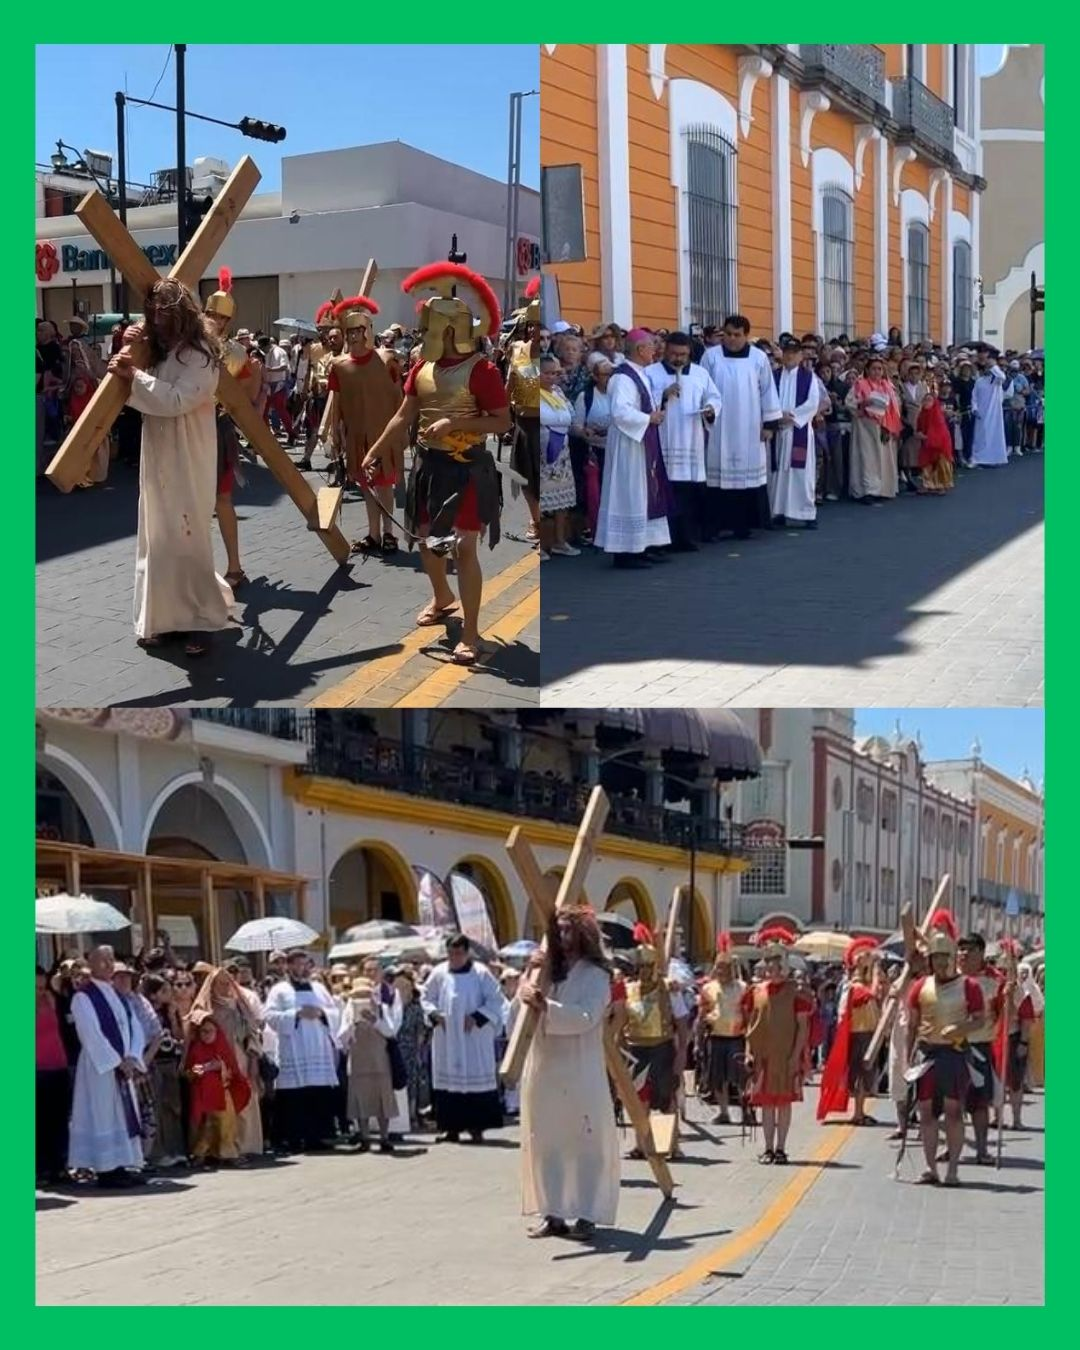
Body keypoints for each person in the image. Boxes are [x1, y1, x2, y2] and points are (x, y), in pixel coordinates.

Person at [366, 261, 511, 667]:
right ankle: (443, 597)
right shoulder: (421, 368)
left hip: (466, 467)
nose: (423, 330)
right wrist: (375, 451)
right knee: (427, 541)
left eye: (431, 324)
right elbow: (403, 416)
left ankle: (471, 632)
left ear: (449, 329)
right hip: (429, 466)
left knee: (463, 547)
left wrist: (456, 423)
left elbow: (502, 422)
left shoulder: (482, 370)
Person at [107, 279, 234, 658]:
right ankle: (164, 620)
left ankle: (201, 620)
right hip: (159, 453)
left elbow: (179, 400)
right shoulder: (159, 351)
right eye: (153, 310)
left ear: (182, 312)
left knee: (188, 536)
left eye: (166, 310)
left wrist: (135, 376)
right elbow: (133, 382)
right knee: (159, 538)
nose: (158, 317)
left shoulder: (200, 354)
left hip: (189, 455)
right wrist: (127, 345)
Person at [518, 905, 620, 1240]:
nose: (561, 936)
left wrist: (546, 1006)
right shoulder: (547, 970)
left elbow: (586, 1016)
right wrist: (528, 978)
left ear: (583, 934)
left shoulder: (596, 974)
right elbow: (519, 1016)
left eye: (568, 929)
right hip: (545, 1067)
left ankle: (588, 1215)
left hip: (579, 1068)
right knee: (547, 1141)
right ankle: (553, 1213)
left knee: (585, 1142)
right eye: (557, 929)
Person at [905, 911, 985, 1187]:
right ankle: (931, 1168)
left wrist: (960, 1029)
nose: (940, 962)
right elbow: (912, 1026)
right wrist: (907, 1059)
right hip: (927, 1055)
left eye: (944, 957)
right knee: (926, 1113)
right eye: (935, 957)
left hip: (954, 1055)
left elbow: (980, 1020)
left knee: (953, 1112)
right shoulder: (920, 986)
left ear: (952, 958)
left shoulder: (969, 986)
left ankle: (952, 1170)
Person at [328, 294, 405, 557]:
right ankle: (373, 533)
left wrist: (401, 432)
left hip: (383, 434)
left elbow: (399, 397)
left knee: (384, 484)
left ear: (367, 332)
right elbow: (337, 402)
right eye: (349, 332)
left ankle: (389, 533)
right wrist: (334, 432)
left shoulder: (386, 360)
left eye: (357, 331)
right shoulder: (338, 366)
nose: (353, 336)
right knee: (366, 485)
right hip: (356, 435)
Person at [67, 945, 147, 1187]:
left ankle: (123, 1164)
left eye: (111, 960)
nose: (109, 965)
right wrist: (116, 1061)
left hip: (123, 1066)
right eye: (103, 960)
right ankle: (106, 1169)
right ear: (90, 964)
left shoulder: (118, 994)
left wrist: (132, 1056)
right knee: (103, 1114)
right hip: (99, 1067)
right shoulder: (83, 997)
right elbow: (90, 1033)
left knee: (123, 1115)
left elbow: (134, 1027)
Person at [699, 314, 782, 539]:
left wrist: (770, 424)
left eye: (737, 335)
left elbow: (768, 391)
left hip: (749, 426)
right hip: (719, 427)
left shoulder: (758, 358)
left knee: (748, 478)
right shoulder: (711, 356)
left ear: (746, 335)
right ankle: (714, 526)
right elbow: (702, 387)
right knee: (717, 478)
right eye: (727, 334)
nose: (731, 339)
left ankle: (743, 526)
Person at [594, 328, 672, 568]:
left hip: (641, 442)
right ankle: (624, 552)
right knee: (629, 494)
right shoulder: (623, 378)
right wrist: (649, 418)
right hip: (629, 446)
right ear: (640, 349)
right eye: (651, 346)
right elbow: (620, 412)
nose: (655, 350)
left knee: (644, 493)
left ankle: (641, 545)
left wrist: (655, 413)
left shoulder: (640, 373)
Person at [203, 267, 260, 591]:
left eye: (222, 317)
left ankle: (234, 567)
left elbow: (248, 392)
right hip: (189, 427)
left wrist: (253, 378)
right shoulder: (190, 345)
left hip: (219, 427)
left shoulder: (237, 353)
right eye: (212, 314)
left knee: (222, 499)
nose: (217, 321)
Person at [420, 933, 505, 1143]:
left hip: (473, 1037)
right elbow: (426, 997)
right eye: (450, 953)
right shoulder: (439, 973)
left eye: (458, 953)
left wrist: (477, 1017)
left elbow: (496, 1000)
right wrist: (434, 1014)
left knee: (475, 1081)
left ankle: (477, 1128)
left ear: (467, 953)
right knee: (448, 1083)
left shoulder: (481, 973)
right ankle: (450, 1128)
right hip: (447, 1037)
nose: (454, 958)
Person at [644, 331, 721, 551]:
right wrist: (663, 394)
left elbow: (714, 397)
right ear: (665, 351)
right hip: (663, 438)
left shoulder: (700, 373)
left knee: (687, 492)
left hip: (690, 439)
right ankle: (662, 541)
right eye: (674, 354)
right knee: (663, 490)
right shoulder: (651, 373)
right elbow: (643, 401)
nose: (678, 359)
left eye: (683, 355)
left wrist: (710, 409)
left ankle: (686, 537)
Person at [743, 926, 811, 1165]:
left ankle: (781, 1148)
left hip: (786, 1056)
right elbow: (751, 1025)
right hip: (763, 1057)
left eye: (777, 964)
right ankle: (768, 1148)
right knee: (766, 1104)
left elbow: (802, 1027)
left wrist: (796, 1056)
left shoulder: (797, 992)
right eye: (769, 965)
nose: (773, 969)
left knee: (783, 1103)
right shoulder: (756, 991)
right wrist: (749, 1053)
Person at [263, 949, 341, 1153]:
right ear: (288, 966)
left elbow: (335, 1012)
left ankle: (317, 1137)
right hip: (294, 1049)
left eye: (306, 964)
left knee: (318, 1093)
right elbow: (269, 1016)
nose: (303, 968)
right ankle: (294, 1138)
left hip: (318, 1048)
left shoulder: (319, 989)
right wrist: (296, 1014)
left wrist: (322, 1013)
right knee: (294, 1096)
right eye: (298, 964)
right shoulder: (279, 990)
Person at [189, 965, 265, 1158]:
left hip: (240, 1057)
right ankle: (222, 1149)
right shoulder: (206, 1009)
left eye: (227, 983)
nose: (225, 988)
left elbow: (252, 1032)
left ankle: (247, 1145)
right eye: (220, 984)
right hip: (216, 1063)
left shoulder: (240, 1005)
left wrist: (253, 1058)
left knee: (246, 1098)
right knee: (222, 1107)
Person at [621, 923, 677, 1149]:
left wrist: (682, 1051)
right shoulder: (628, 989)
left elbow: (682, 1019)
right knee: (638, 1098)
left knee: (663, 1099)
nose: (644, 970)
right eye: (641, 966)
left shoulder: (666, 988)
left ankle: (664, 1145)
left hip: (661, 1048)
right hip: (635, 1050)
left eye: (648, 966)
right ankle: (641, 1145)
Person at [817, 937, 881, 1125]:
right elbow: (871, 994)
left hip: (866, 1033)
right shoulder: (854, 986)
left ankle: (859, 1111)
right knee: (861, 1073)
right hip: (859, 1034)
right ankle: (858, 1113)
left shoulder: (859, 984)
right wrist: (876, 975)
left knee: (864, 1074)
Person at [338, 976, 400, 1152]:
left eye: (365, 994)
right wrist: (353, 1025)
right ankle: (364, 1137)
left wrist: (375, 1021)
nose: (362, 998)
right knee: (360, 1099)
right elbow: (342, 1036)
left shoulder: (382, 1008)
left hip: (380, 1061)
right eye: (359, 995)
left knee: (383, 1099)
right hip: (358, 1061)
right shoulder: (349, 1009)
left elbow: (391, 1031)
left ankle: (384, 1137)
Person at [183, 1010, 253, 1166]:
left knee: (227, 1124)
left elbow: (233, 1071)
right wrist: (205, 1068)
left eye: (210, 1031)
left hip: (222, 1094)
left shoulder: (223, 1047)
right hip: (203, 1095)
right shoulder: (196, 1049)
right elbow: (189, 1072)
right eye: (203, 1031)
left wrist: (221, 1066)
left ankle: (229, 1154)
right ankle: (201, 1154)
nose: (206, 1035)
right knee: (206, 1126)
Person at [957, 934, 1004, 1165]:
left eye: (970, 949)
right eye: (961, 949)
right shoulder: (949, 977)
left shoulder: (995, 981)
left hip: (979, 1046)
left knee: (979, 1103)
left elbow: (1005, 1013)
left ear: (981, 953)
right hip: (952, 1046)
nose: (964, 954)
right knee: (951, 1102)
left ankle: (982, 1149)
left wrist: (1009, 995)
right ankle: (952, 1147)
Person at [768, 337, 820, 528]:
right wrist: (776, 416)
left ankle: (806, 512)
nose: (790, 356)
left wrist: (794, 417)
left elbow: (813, 402)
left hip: (798, 430)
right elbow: (767, 399)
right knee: (778, 474)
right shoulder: (774, 376)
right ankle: (778, 512)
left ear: (800, 356)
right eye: (787, 352)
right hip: (779, 431)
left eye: (794, 353)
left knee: (801, 474)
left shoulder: (809, 377)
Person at [698, 933, 749, 1126]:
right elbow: (702, 1014)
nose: (722, 971)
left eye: (726, 967)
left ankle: (747, 1111)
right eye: (719, 967)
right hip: (716, 1037)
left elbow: (748, 1013)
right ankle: (724, 1112)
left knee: (741, 1077)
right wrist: (699, 1039)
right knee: (718, 1077)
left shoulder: (743, 988)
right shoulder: (708, 988)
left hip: (737, 1037)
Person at [506, 278, 542, 543]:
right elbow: (508, 385)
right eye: (530, 324)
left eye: (538, 325)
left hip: (544, 425)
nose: (533, 330)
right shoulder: (517, 350)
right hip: (522, 423)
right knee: (524, 475)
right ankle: (535, 519)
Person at [139, 973, 187, 1167]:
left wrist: (174, 1018)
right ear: (153, 994)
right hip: (155, 1063)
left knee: (173, 1107)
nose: (170, 993)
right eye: (165, 991)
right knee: (157, 1107)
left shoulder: (170, 1011)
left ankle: (176, 1149)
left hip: (171, 1060)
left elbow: (179, 1036)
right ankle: (158, 1153)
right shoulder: (146, 1013)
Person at [537, 353, 579, 560]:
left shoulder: (558, 392)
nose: (552, 377)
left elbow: (571, 415)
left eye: (554, 373)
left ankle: (560, 541)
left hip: (562, 453)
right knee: (540, 501)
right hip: (541, 453)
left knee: (562, 502)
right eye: (547, 373)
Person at [847, 354, 901, 503]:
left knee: (884, 459)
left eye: (879, 369)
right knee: (867, 459)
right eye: (874, 369)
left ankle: (883, 489)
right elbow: (850, 403)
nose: (877, 372)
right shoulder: (860, 384)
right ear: (867, 370)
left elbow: (895, 406)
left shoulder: (888, 386)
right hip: (864, 427)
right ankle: (866, 491)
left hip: (884, 426)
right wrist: (864, 403)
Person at [36, 965, 71, 1185]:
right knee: (40, 1122)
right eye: (34, 987)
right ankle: (41, 1169)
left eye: (42, 986)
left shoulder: (50, 999)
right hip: (37, 1069)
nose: (39, 991)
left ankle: (59, 1166)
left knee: (59, 1119)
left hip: (58, 1064)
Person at [970, 347, 1008, 468]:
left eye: (989, 368)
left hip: (994, 413)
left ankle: (993, 458)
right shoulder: (979, 381)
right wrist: (974, 409)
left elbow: (1002, 377)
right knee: (980, 436)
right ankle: (977, 458)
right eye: (986, 368)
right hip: (981, 413)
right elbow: (974, 397)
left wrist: (993, 366)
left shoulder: (996, 381)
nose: (987, 370)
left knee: (994, 435)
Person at [915, 382, 955, 494]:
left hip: (940, 444)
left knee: (940, 463)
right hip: (927, 444)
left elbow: (940, 431)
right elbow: (919, 428)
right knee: (926, 463)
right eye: (925, 400)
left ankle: (941, 485)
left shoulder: (937, 415)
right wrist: (918, 434)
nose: (926, 402)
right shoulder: (921, 415)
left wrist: (926, 437)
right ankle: (927, 484)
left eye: (929, 400)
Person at [261, 333, 294, 441]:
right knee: (264, 410)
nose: (263, 350)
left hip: (278, 384)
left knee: (281, 410)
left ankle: (291, 433)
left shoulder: (280, 352)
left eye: (263, 348)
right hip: (267, 384)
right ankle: (266, 434)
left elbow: (284, 366)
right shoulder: (264, 353)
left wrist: (270, 369)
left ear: (267, 345)